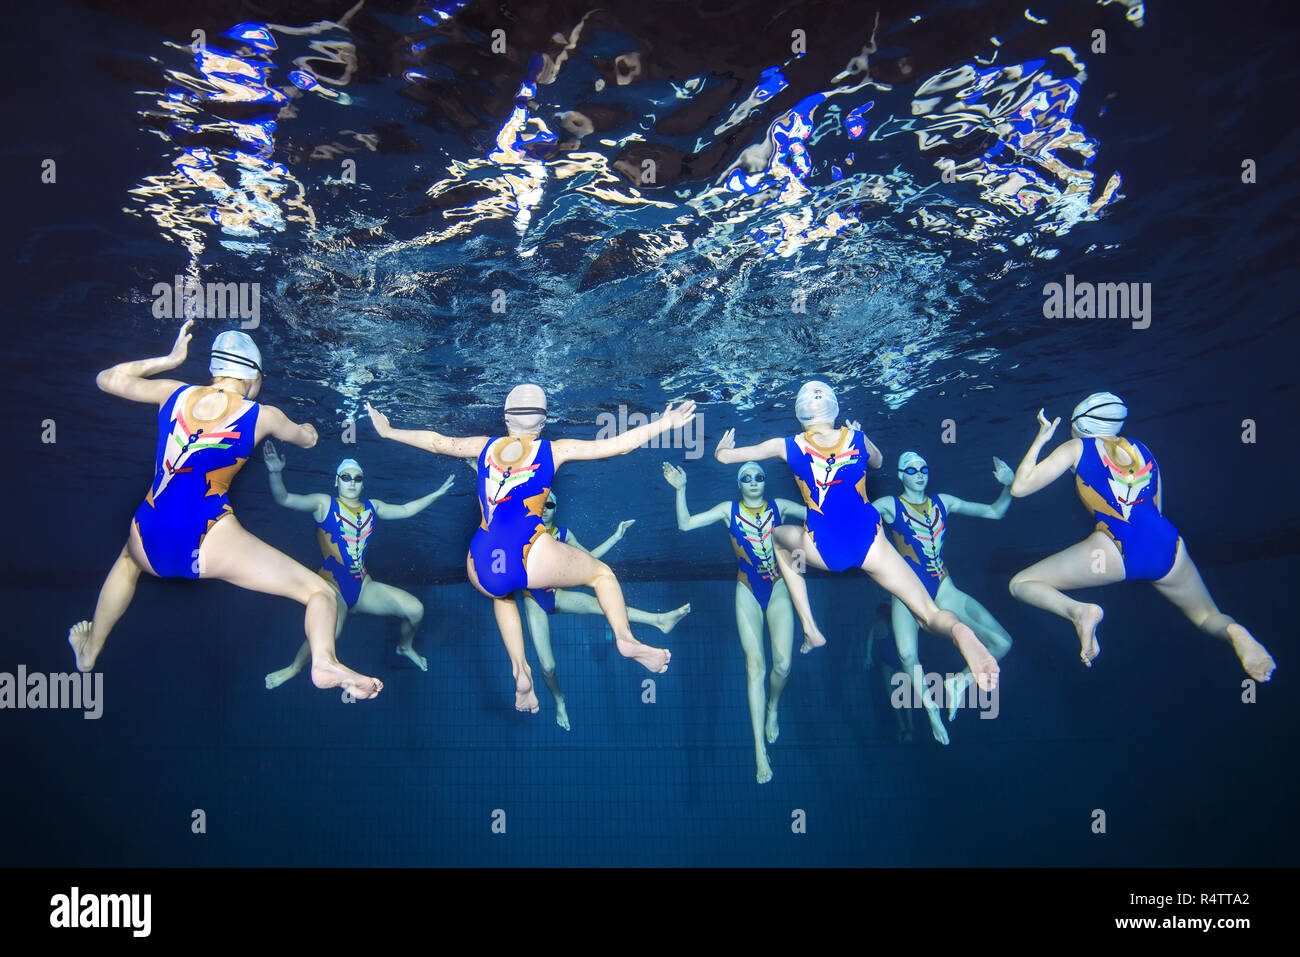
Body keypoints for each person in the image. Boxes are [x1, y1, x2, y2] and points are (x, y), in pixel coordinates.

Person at [67, 321, 381, 699]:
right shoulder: (262, 414)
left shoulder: (172, 392)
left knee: (129, 562)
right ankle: (323, 660)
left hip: (147, 534)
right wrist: (309, 428)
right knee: (319, 593)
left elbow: (108, 378)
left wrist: (170, 359)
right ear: (253, 377)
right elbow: (308, 439)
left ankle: (90, 652)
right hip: (209, 536)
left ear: (216, 370)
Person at [366, 385, 695, 712]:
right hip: (531, 552)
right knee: (601, 574)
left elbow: (436, 441)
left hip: (480, 559)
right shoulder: (554, 449)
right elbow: (617, 445)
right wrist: (664, 423)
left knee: (502, 594)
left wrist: (390, 430)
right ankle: (625, 638)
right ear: (542, 422)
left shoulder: (484, 446)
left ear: (506, 418)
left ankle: (520, 670)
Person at [713, 380, 999, 691]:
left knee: (777, 539)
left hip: (824, 546)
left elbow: (725, 458)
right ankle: (959, 631)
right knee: (927, 615)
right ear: (834, 409)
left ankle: (810, 628)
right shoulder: (858, 438)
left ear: (799, 414)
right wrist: (859, 437)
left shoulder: (786, 445)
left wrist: (722, 449)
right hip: (871, 540)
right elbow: (878, 462)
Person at [1008, 392, 1275, 681]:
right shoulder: (1142, 448)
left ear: (1079, 423)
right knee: (1208, 616)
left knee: (1021, 583)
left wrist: (1042, 439)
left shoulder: (1075, 446)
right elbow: (1157, 507)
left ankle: (1079, 612)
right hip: (1169, 546)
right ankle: (1235, 631)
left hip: (1115, 545)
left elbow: (1019, 488)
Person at [262, 448, 455, 689]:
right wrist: (275, 472)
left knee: (415, 610)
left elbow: (406, 510)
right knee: (330, 635)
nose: (351, 483)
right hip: (333, 588)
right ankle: (294, 668)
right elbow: (285, 499)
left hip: (364, 587)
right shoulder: (324, 503)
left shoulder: (373, 507)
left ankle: (405, 646)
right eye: (346, 477)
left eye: (357, 478)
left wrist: (436, 494)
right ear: (337, 481)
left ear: (363, 484)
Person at [662, 460, 806, 783]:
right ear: (739, 484)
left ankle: (773, 705)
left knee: (782, 665)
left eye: (759, 476)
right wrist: (682, 490)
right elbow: (685, 524)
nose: (754, 481)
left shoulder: (781, 506)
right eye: (747, 477)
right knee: (755, 666)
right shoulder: (728, 510)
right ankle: (758, 749)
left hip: (780, 585)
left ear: (764, 482)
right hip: (747, 588)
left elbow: (820, 516)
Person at [872, 450, 1016, 743]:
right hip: (907, 590)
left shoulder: (944, 502)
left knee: (1003, 642)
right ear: (900, 476)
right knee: (907, 654)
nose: (919, 474)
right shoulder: (889, 505)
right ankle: (931, 713)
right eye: (911, 470)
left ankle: (959, 682)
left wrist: (1009, 486)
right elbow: (857, 520)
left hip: (944, 587)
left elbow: (995, 512)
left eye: (923, 468)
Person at [519, 490, 691, 730]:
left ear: (555, 509)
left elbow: (589, 560)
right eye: (542, 503)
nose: (545, 508)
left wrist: (616, 537)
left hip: (555, 595)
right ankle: (559, 699)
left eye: (550, 504)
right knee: (547, 667)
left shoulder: (564, 534)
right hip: (533, 600)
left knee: (607, 606)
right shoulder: (525, 530)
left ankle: (659, 620)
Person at [865, 603, 914, 744]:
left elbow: (869, 639)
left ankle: (903, 727)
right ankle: (910, 727)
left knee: (894, 697)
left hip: (887, 664)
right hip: (898, 663)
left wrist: (867, 656)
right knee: (904, 697)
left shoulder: (877, 623)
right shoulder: (895, 622)